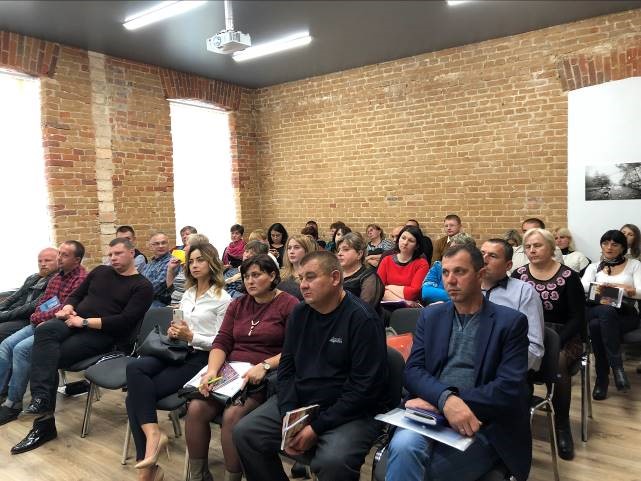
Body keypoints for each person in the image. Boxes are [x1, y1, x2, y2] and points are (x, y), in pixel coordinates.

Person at [233, 251, 388, 481]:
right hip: (303, 402)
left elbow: (363, 389)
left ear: (335, 278)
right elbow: (287, 368)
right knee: (246, 433)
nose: (303, 285)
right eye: (301, 278)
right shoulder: (300, 312)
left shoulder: (362, 319)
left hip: (350, 411)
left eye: (311, 277)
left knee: (333, 461)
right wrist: (289, 416)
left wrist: (316, 427)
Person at [386, 244, 531, 481]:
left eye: (460, 272)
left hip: (483, 420)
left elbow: (508, 388)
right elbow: (413, 371)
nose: (450, 280)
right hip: (429, 413)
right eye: (445, 272)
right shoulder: (431, 316)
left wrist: (449, 402)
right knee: (403, 449)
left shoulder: (510, 323)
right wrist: (445, 400)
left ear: (480, 275)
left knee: (427, 473)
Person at [11, 238, 153, 454]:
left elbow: (125, 322)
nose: (113, 258)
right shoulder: (100, 272)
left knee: (51, 356)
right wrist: (68, 307)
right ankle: (41, 400)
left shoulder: (142, 286)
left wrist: (85, 322)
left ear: (132, 253)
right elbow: (77, 295)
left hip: (102, 334)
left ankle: (43, 424)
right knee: (44, 330)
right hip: (74, 320)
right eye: (110, 254)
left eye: (118, 253)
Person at [184, 255, 299, 481]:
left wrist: (265, 365)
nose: (250, 281)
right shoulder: (238, 304)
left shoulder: (289, 304)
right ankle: (198, 476)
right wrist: (212, 371)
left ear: (272, 275)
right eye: (246, 276)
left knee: (232, 415)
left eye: (256, 275)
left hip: (265, 374)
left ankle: (233, 477)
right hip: (232, 371)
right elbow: (222, 341)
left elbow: (294, 349)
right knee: (196, 409)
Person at [126, 243, 231, 481]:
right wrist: (175, 331)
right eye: (191, 261)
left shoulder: (222, 299)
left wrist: (192, 336)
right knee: (134, 367)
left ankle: (147, 468)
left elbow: (223, 341)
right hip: (176, 350)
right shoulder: (188, 293)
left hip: (201, 358)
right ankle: (154, 435)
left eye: (200, 260)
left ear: (212, 263)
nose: (194, 265)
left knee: (134, 397)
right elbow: (180, 323)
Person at [512, 228, 584, 460]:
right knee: (512, 357)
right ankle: (517, 418)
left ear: (551, 248)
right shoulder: (518, 274)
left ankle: (562, 425)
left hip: (564, 336)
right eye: (528, 246)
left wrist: (555, 343)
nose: (532, 250)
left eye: (538, 245)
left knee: (558, 361)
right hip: (528, 335)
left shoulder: (569, 276)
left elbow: (578, 318)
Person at [0, 242, 87, 425]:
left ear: (77, 260)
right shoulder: (56, 278)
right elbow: (42, 304)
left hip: (58, 327)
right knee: (6, 345)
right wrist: (38, 317)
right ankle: (2, 392)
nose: (59, 258)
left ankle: (13, 404)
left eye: (64, 255)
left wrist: (40, 317)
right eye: (59, 254)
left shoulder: (81, 279)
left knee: (21, 350)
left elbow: (63, 309)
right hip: (39, 322)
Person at [582, 230, 641, 400]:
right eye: (605, 243)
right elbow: (583, 287)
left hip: (625, 314)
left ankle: (602, 380)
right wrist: (622, 289)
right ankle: (617, 369)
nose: (609, 247)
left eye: (614, 244)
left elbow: (639, 291)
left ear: (623, 248)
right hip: (596, 309)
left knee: (597, 326)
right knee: (606, 311)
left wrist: (604, 288)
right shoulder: (594, 266)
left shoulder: (634, 265)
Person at [480, 239, 545, 372]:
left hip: (506, 372)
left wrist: (496, 368)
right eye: (482, 254)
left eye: (493, 256)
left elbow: (534, 349)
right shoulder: (467, 289)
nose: (484, 260)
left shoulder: (524, 292)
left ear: (508, 265)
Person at [0, 247, 59, 342]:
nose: (43, 264)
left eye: (47, 260)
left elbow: (34, 306)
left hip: (29, 318)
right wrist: (2, 308)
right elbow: (14, 297)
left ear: (59, 261)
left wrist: (4, 316)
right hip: (15, 314)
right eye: (40, 261)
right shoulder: (32, 277)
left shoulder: (56, 281)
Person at [377, 225, 430, 303]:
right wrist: (404, 302)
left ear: (417, 246)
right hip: (387, 305)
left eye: (411, 241)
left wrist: (389, 287)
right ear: (398, 239)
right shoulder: (386, 260)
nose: (405, 243)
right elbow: (378, 289)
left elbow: (413, 293)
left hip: (411, 309)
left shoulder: (422, 264)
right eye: (403, 238)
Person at [421, 233, 475, 305]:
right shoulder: (438, 266)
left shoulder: (472, 271)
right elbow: (426, 292)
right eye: (451, 249)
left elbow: (470, 296)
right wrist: (457, 296)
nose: (451, 253)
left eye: (456, 251)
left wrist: (443, 299)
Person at [337, 232, 384, 309]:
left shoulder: (369, 277)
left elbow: (365, 310)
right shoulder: (335, 274)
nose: (339, 253)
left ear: (359, 254)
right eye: (339, 250)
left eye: (346, 249)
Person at [167, 234, 210, 306]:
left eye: (186, 245)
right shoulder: (185, 264)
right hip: (174, 305)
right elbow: (171, 289)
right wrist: (170, 269)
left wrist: (180, 307)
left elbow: (197, 297)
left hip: (185, 307)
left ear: (195, 247)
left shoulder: (198, 269)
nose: (183, 249)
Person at [277, 234, 318, 300]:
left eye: (296, 247)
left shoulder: (313, 276)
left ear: (307, 251)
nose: (291, 251)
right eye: (289, 248)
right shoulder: (281, 274)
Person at [141, 232, 172, 307]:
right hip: (146, 299)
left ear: (168, 245)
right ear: (151, 247)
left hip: (161, 303)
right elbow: (140, 281)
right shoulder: (149, 264)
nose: (161, 246)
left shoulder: (172, 262)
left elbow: (158, 286)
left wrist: (138, 292)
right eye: (157, 244)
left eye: (163, 243)